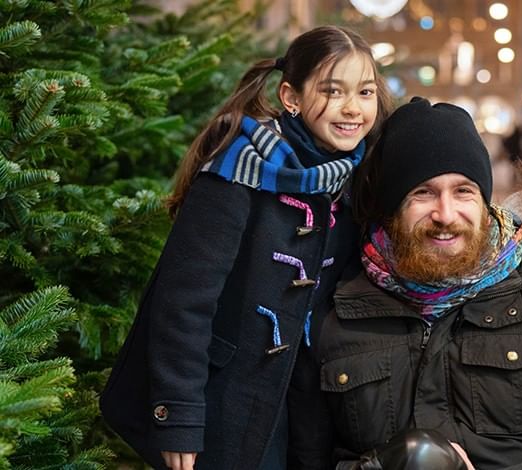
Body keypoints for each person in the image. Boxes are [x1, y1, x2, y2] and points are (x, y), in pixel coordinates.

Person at [99, 26, 390, 470]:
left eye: (365, 91)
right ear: (291, 96)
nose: (352, 109)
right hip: (225, 403)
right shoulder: (238, 171)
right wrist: (180, 416)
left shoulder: (354, 175)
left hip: (308, 408)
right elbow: (183, 303)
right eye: (332, 91)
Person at [296, 97, 522, 469]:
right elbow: (301, 458)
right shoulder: (338, 311)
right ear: (391, 206)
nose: (446, 214)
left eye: (463, 191)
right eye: (423, 193)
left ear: (484, 200)